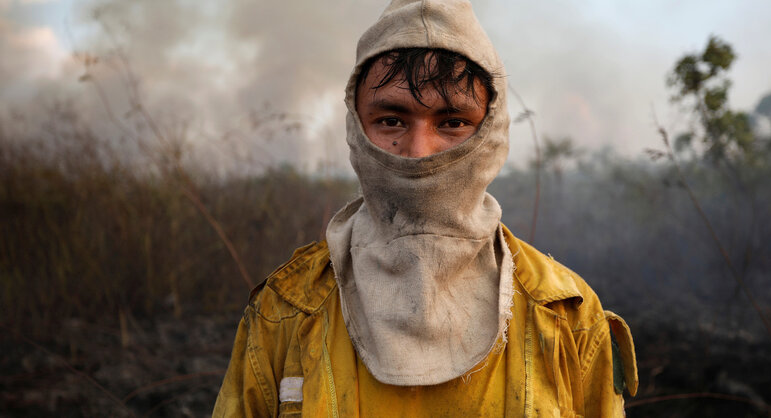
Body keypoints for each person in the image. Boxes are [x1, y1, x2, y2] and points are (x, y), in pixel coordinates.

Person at [213, 0, 637, 416]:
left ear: (492, 131)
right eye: (391, 121)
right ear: (356, 128)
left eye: (452, 122)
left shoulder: (567, 317)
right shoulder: (284, 311)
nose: (418, 153)